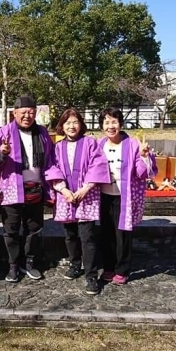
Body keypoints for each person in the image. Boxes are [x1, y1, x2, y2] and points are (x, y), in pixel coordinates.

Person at [0, 95, 60, 283]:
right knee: (10, 229)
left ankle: (29, 262)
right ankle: (12, 265)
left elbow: (51, 158)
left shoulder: (43, 133)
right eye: (23, 112)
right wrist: (2, 153)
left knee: (34, 228)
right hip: (12, 188)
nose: (27, 116)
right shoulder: (4, 132)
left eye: (31, 112)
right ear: (15, 113)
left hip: (35, 187)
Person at [50, 108, 111, 295]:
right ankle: (75, 264)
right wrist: (63, 189)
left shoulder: (90, 143)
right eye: (67, 122)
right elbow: (53, 168)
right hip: (66, 195)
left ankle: (91, 275)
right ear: (62, 126)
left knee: (88, 236)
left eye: (75, 122)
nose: (71, 126)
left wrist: (85, 188)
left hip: (87, 195)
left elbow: (98, 165)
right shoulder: (58, 147)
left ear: (81, 125)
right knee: (70, 234)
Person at [98, 107, 157, 286]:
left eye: (114, 122)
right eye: (106, 122)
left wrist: (144, 156)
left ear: (121, 123)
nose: (110, 126)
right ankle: (108, 267)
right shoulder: (99, 144)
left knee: (122, 233)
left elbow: (141, 173)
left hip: (124, 197)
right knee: (106, 233)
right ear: (102, 126)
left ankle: (122, 270)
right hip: (103, 195)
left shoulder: (132, 144)